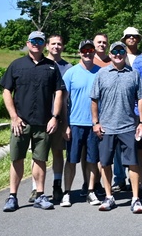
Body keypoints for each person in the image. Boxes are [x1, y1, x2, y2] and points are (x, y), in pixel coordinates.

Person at [0, 31, 65, 213]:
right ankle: (12, 196)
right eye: (33, 41)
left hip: (44, 123)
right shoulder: (16, 65)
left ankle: (40, 194)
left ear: (44, 45)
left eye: (40, 41)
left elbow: (59, 93)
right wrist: (14, 116)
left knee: (40, 159)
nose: (37, 44)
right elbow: (6, 91)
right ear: (28, 43)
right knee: (17, 158)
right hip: (21, 122)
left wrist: (55, 117)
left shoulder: (51, 67)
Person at [90, 40, 142, 213]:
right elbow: (94, 99)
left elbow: (141, 98)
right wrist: (96, 122)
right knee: (105, 163)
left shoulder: (134, 73)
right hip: (106, 127)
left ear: (124, 53)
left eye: (121, 51)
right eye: (114, 51)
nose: (117, 54)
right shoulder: (101, 73)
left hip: (129, 126)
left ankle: (135, 198)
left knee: (132, 163)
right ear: (110, 53)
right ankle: (109, 197)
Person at [62, 40, 102, 206]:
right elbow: (63, 101)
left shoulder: (100, 72)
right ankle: (67, 192)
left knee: (92, 160)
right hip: (75, 123)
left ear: (94, 52)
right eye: (84, 50)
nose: (87, 53)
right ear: (79, 52)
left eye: (90, 50)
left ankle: (91, 191)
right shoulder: (71, 73)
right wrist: (65, 125)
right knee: (71, 160)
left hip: (94, 124)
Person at [44, 34, 72, 204]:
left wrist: (65, 121)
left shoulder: (68, 67)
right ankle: (35, 188)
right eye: (53, 44)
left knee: (57, 152)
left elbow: (67, 95)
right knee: (38, 156)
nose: (56, 46)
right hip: (40, 116)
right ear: (47, 46)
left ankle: (57, 184)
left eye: (59, 44)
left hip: (60, 117)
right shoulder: (40, 64)